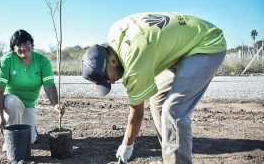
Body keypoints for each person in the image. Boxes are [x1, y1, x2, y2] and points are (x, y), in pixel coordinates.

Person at [81, 12, 226, 163]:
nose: (112, 82)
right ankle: (171, 157)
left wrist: (127, 145)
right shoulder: (115, 31)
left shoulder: (133, 64)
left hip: (206, 43)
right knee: (158, 102)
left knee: (174, 110)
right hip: (182, 48)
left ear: (112, 60)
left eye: (108, 78)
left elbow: (137, 113)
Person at [0, 29, 65, 149]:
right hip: (5, 100)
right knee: (14, 102)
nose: (23, 48)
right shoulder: (6, 61)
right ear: (13, 48)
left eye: (26, 43)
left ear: (31, 44)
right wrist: (0, 116)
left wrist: (56, 104)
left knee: (29, 140)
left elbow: (49, 86)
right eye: (18, 45)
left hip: (28, 103)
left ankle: (18, 133)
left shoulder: (42, 61)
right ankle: (11, 141)